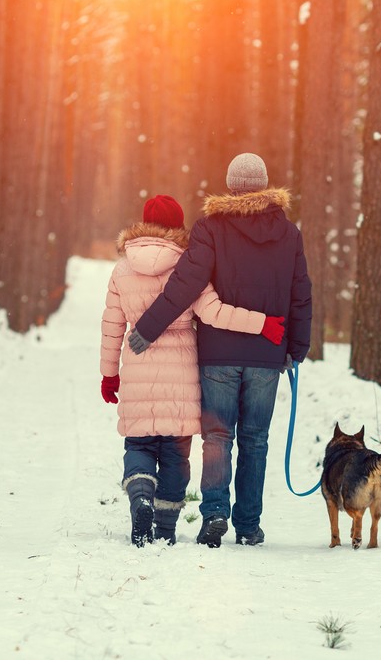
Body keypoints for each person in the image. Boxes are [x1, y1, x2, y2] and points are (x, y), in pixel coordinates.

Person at [128, 153, 312, 548]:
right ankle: (248, 525)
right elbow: (301, 295)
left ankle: (214, 515)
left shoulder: (210, 228)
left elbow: (186, 283)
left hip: (218, 355)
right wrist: (297, 346)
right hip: (267, 354)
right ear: (264, 186)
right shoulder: (289, 234)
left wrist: (147, 327)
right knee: (255, 440)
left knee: (217, 437)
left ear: (230, 186)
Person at [100, 194, 285, 547]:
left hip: (138, 370)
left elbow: (112, 325)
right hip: (181, 376)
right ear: (178, 225)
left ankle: (140, 495)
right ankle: (166, 527)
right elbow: (215, 311)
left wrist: (110, 374)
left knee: (138, 444)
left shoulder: (122, 269)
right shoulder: (189, 265)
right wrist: (261, 324)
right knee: (175, 453)